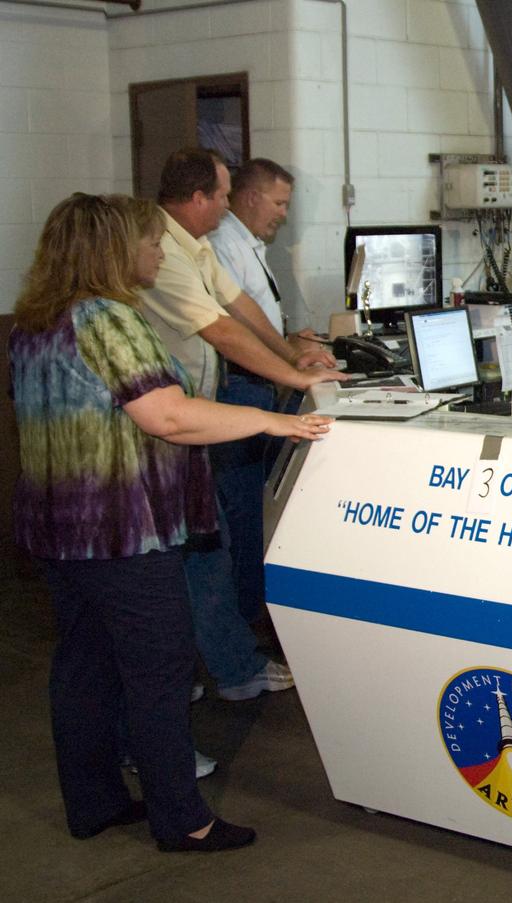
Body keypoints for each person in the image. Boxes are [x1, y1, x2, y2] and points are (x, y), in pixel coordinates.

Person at [8, 192, 332, 851]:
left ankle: (95, 801)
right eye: (149, 241)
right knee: (159, 669)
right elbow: (169, 416)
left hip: (57, 531)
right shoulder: (105, 318)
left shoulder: (35, 324)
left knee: (85, 664)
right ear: (111, 250)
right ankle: (184, 819)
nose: (158, 251)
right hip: (120, 532)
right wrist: (274, 419)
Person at [140, 148, 339, 702]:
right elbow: (221, 331)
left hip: (195, 412)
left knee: (199, 549)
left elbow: (239, 305)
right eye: (223, 196)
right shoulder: (165, 251)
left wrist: (292, 359)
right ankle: (227, 669)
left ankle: (190, 669)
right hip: (173, 421)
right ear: (197, 198)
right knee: (203, 550)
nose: (228, 206)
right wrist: (291, 377)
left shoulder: (194, 243)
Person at [207, 158, 317, 622]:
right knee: (245, 511)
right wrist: (291, 362)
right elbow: (234, 324)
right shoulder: (221, 244)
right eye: (279, 203)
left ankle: (255, 612)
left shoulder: (247, 244)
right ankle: (247, 619)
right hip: (239, 387)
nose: (283, 215)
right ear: (251, 197)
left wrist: (292, 346)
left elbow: (255, 315)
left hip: (259, 384)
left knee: (258, 506)